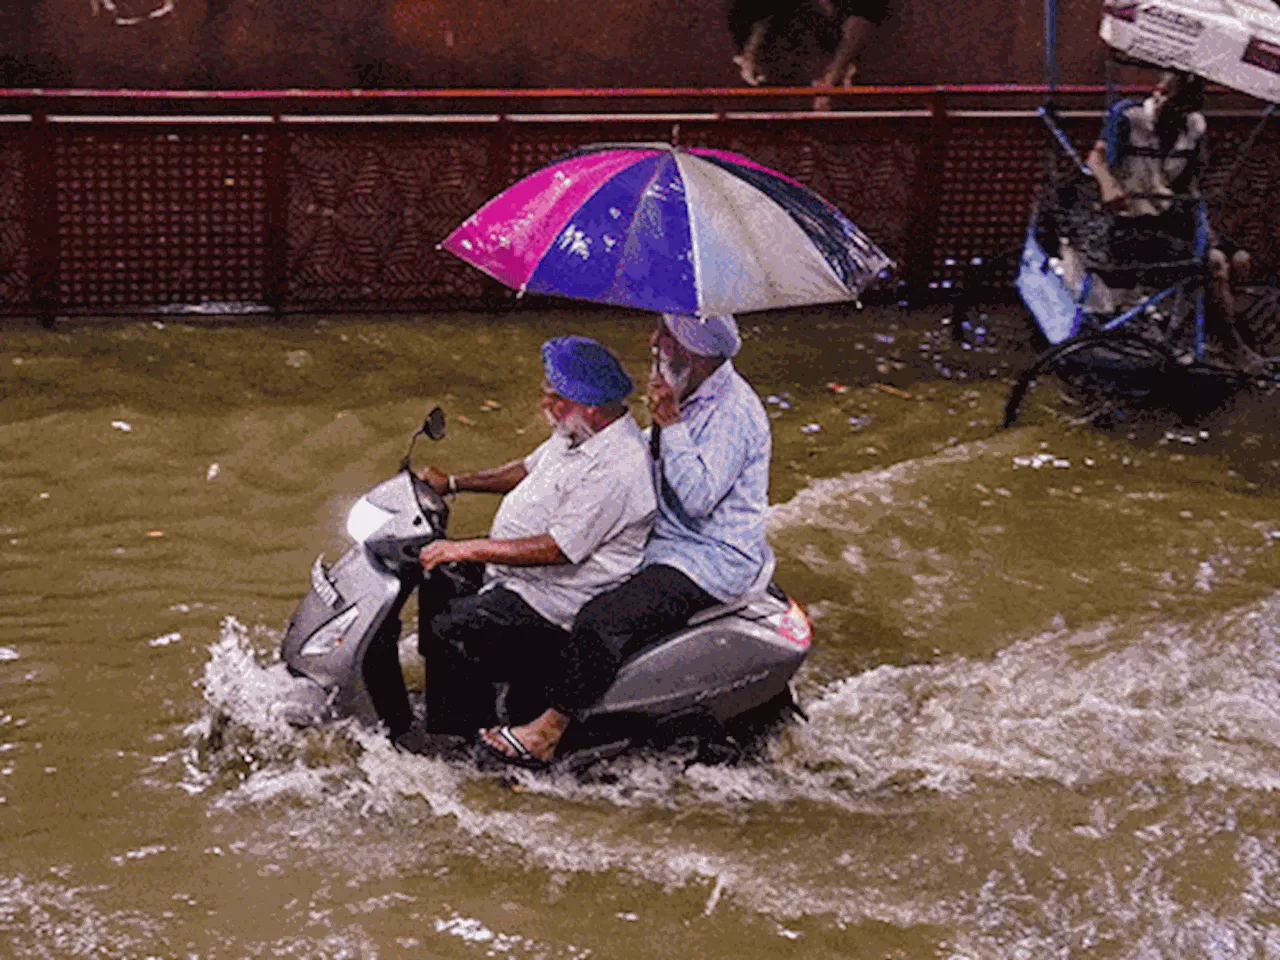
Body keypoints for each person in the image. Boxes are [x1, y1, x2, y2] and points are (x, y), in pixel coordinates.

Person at [478, 313, 773, 767]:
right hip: (664, 539)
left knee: (599, 618)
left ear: (692, 354)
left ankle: (549, 730)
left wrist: (670, 423)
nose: (654, 341)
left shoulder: (732, 413)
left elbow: (697, 500)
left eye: (667, 338)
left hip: (706, 557)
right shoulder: (692, 392)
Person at [411, 335, 656, 743]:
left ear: (591, 405)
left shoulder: (619, 467)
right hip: (519, 576)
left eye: (554, 396)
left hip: (556, 599)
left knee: (453, 627)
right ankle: (455, 694)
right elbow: (526, 469)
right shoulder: (576, 431)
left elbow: (558, 549)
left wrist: (468, 546)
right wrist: (454, 483)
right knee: (436, 578)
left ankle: (459, 740)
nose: (545, 403)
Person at [1085, 71, 1260, 368]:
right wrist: (1108, 184)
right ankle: (1232, 344)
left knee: (1240, 260)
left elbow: (1190, 186)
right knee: (1214, 264)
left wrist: (1204, 231)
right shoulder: (1129, 117)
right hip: (1130, 224)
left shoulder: (1193, 127)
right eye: (1166, 98)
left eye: (1181, 105)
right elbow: (1096, 158)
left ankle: (1209, 329)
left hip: (1169, 218)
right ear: (1158, 93)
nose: (1169, 108)